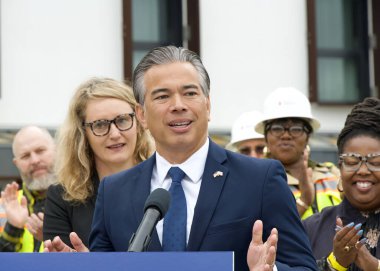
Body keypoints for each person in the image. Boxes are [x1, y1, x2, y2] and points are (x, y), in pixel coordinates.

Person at [87, 46, 317, 271]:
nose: (178, 105)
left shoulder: (260, 180)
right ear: (141, 115)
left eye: (190, 93)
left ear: (207, 105)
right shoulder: (114, 192)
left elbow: (303, 266)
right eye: (162, 96)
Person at [43, 77, 154, 249]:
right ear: (82, 135)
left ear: (139, 123)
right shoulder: (61, 197)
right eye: (100, 125)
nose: (115, 134)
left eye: (123, 120)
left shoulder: (166, 182)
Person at [302, 97, 380, 271]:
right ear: (340, 168)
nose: (363, 171)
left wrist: (375, 267)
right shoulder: (311, 228)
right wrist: (334, 265)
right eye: (352, 161)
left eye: (375, 161)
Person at [255, 87, 341, 219]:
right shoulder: (256, 181)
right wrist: (304, 201)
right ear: (266, 137)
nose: (286, 136)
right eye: (277, 128)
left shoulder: (332, 175)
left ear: (308, 136)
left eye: (296, 129)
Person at [0, 126, 56, 252]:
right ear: (16, 163)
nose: (35, 160)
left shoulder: (81, 199)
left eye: (40, 151)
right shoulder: (3, 208)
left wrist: (50, 236)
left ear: (57, 150)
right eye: (25, 156)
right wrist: (14, 228)